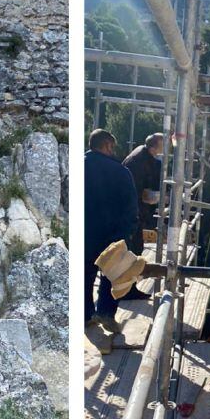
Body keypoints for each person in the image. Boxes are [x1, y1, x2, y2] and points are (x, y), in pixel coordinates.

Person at [84, 128, 138, 335]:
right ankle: (106, 313)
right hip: (113, 234)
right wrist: (127, 233)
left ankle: (86, 315)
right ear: (107, 145)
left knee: (85, 276)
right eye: (112, 147)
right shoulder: (120, 172)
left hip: (86, 234)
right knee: (112, 274)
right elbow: (131, 207)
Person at [123, 132, 165, 256]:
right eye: (162, 145)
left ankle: (133, 260)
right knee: (134, 237)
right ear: (153, 148)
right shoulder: (145, 160)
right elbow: (145, 189)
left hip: (129, 199)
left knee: (133, 234)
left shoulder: (140, 151)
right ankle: (134, 264)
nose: (165, 149)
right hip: (133, 202)